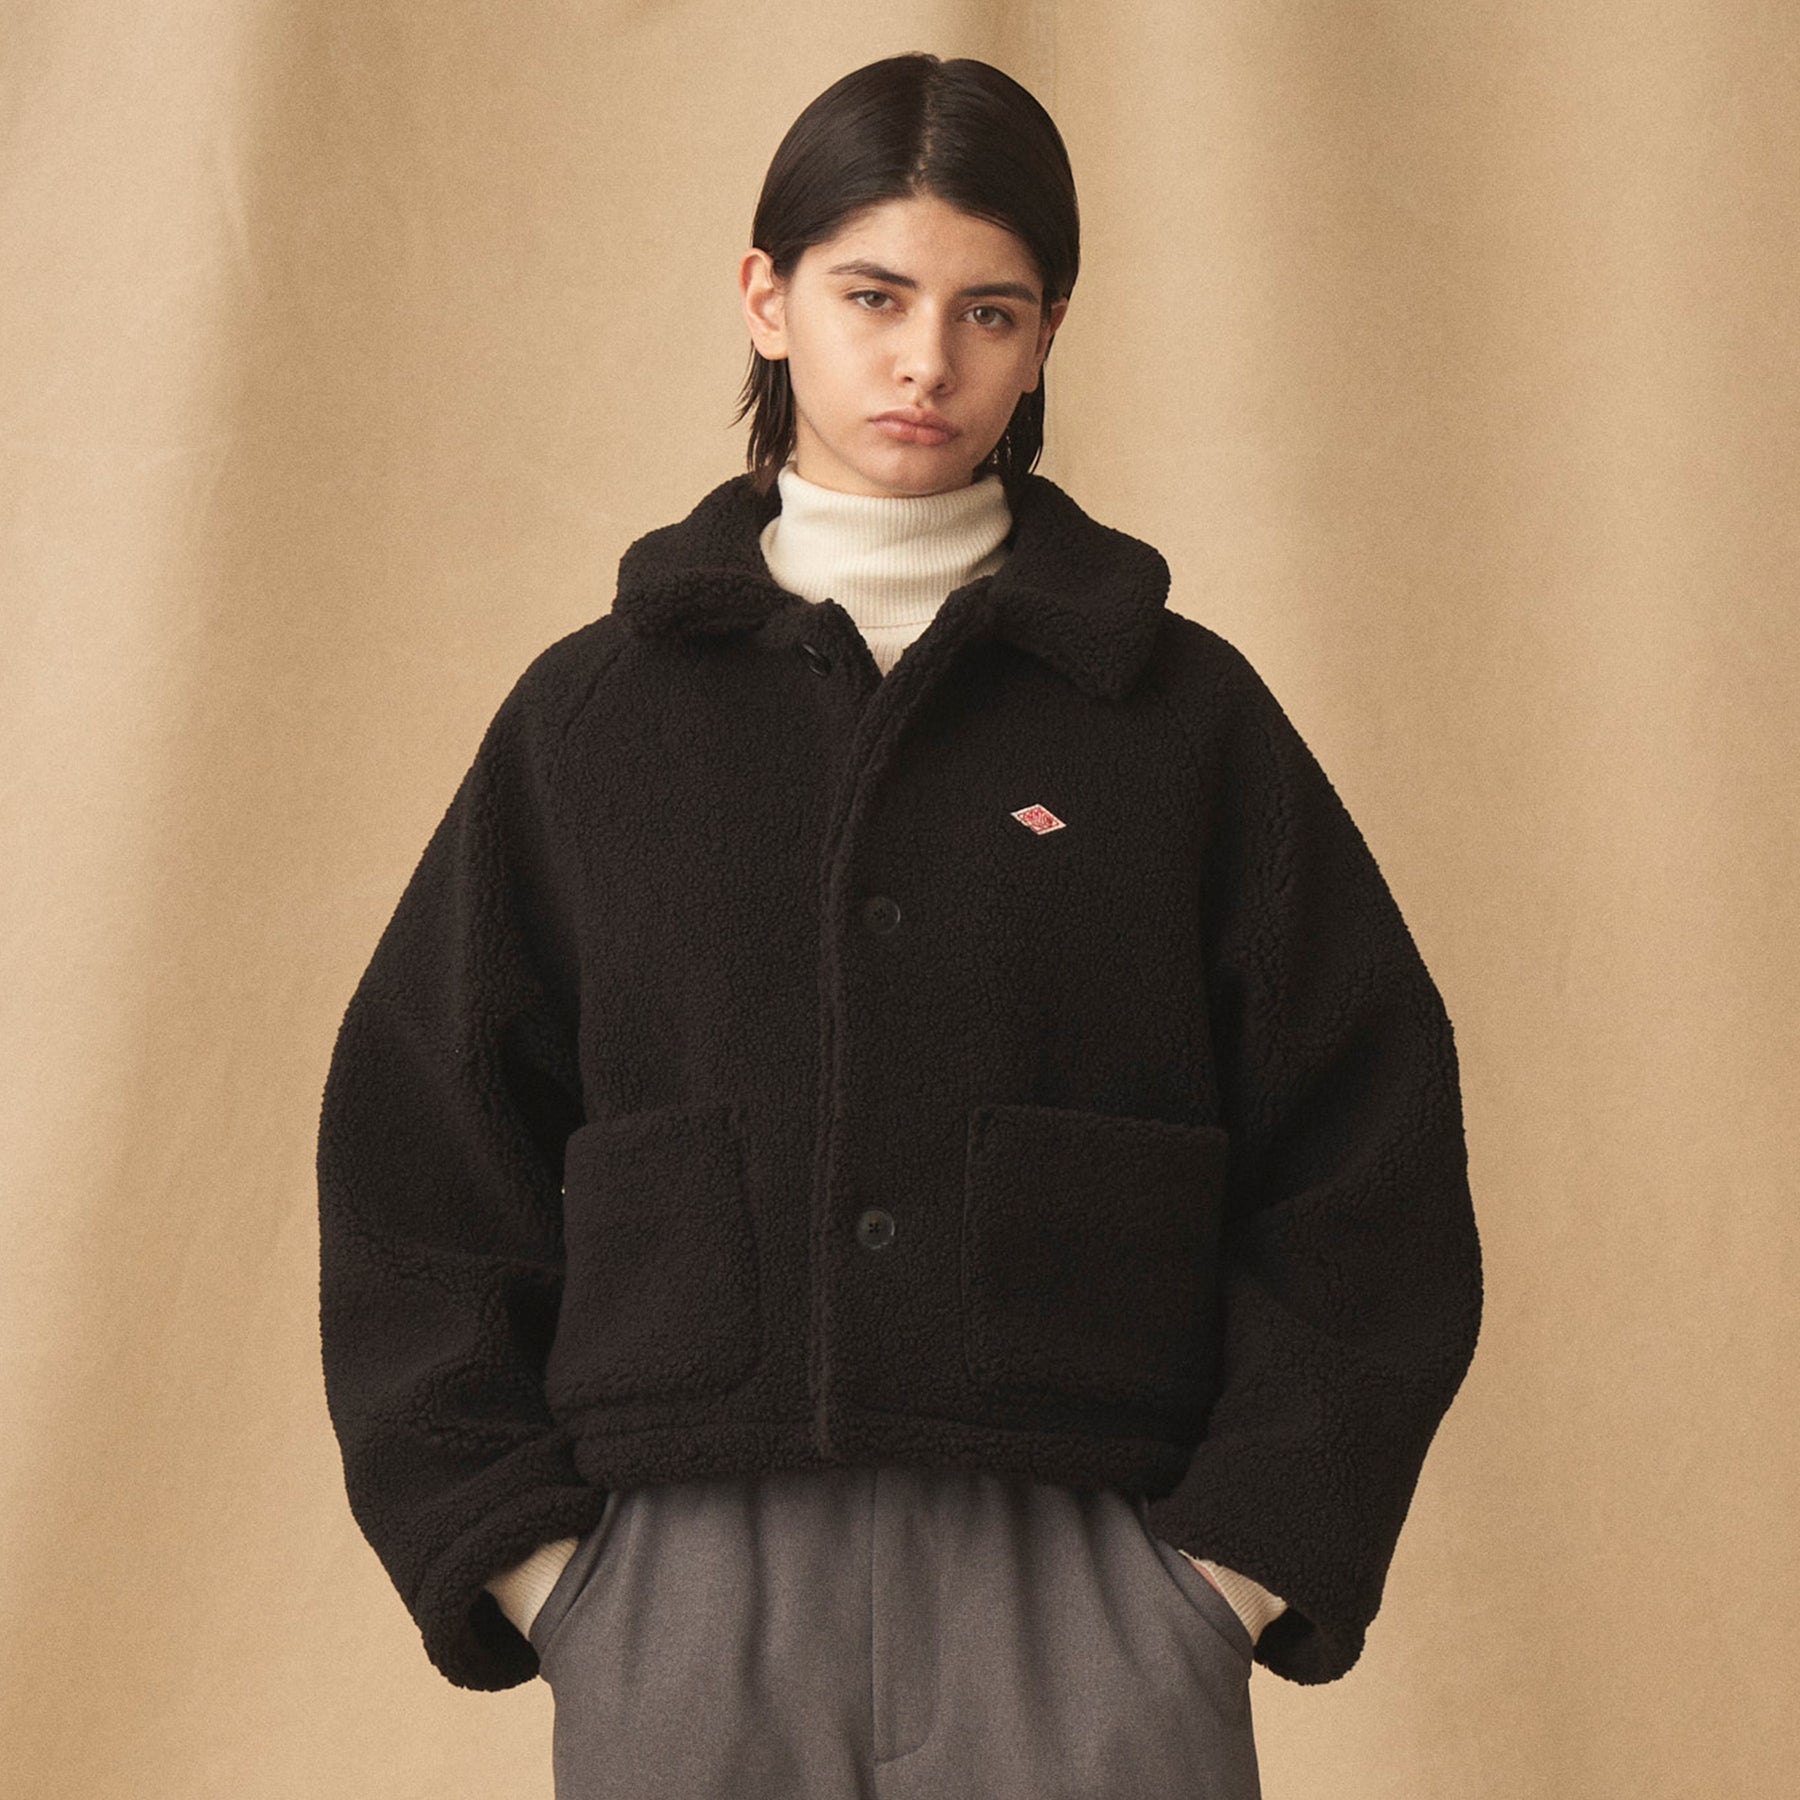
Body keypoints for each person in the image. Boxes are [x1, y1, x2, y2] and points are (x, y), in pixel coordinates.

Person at [316, 51, 1483, 1800]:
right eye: (873, 297)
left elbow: (1368, 1156)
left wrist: (1227, 1575)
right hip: (684, 1590)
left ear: (1047, 334)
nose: (928, 360)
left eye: (988, 311)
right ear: (767, 300)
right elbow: (420, 1155)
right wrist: (547, 1574)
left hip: (1092, 1582)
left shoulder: (1178, 721)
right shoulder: (594, 722)